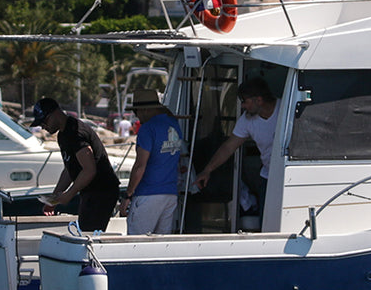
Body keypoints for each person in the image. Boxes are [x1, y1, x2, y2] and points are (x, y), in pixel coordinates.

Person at [193, 77, 278, 220]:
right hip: (268, 178)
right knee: (266, 222)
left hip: (289, 177)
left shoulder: (286, 109)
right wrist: (207, 170)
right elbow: (228, 147)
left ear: (259, 100)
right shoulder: (247, 120)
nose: (243, 106)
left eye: (245, 101)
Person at [32, 96, 121, 232]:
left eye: (44, 121)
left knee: (88, 232)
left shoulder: (76, 132)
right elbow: (70, 169)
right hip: (90, 191)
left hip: (102, 191)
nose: (43, 127)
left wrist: (69, 194)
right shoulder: (63, 135)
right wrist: (53, 199)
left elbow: (89, 170)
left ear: (55, 113)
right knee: (85, 229)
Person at [119, 89, 185, 234]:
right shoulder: (174, 124)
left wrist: (128, 195)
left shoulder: (147, 128)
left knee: (136, 244)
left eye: (137, 111)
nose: (137, 116)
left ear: (145, 110)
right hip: (170, 194)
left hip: (148, 194)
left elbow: (139, 167)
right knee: (161, 245)